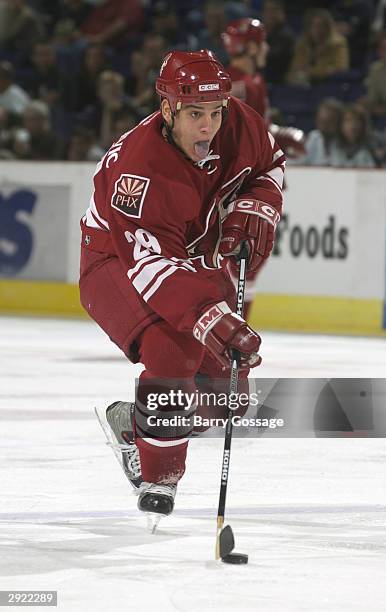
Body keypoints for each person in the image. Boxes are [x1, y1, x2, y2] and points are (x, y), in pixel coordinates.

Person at [79, 50, 285, 522]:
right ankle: (160, 473)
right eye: (195, 114)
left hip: (187, 265)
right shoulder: (138, 170)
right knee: (175, 348)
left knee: (224, 399)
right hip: (116, 261)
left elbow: (270, 164)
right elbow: (151, 267)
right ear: (168, 109)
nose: (208, 126)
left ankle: (132, 424)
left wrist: (257, 208)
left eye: (215, 113)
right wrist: (211, 318)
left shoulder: (238, 121)